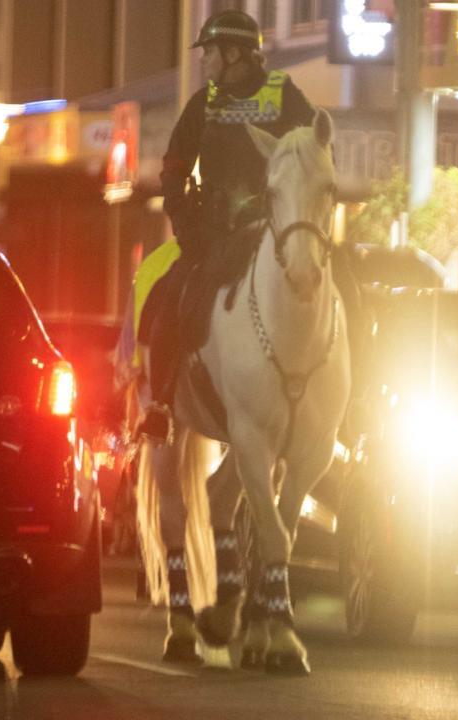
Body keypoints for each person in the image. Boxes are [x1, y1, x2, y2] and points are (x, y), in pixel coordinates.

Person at [138, 9, 316, 441]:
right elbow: (175, 166)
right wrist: (184, 223)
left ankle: (351, 403)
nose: (205, 60)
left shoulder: (288, 96)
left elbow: (315, 154)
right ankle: (161, 404)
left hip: (274, 235)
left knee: (341, 288)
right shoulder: (204, 103)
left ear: (234, 53)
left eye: (211, 52)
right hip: (214, 237)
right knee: (167, 299)